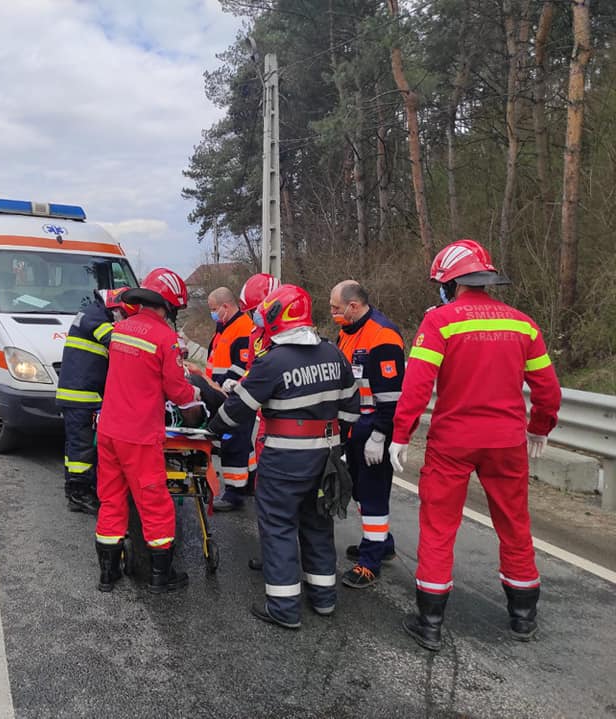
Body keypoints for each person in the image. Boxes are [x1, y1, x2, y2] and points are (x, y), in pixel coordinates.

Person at [390, 239, 562, 650]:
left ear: (449, 283)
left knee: (438, 528)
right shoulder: (524, 324)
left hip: (453, 441)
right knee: (515, 525)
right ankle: (523, 617)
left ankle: (430, 623)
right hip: (506, 442)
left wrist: (401, 434)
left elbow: (416, 387)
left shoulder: (440, 322)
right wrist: (539, 426)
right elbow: (549, 390)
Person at [209, 285, 360, 629]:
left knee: (278, 528)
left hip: (285, 459)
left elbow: (238, 411)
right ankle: (324, 599)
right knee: (318, 524)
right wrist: (337, 444)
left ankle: (283, 607)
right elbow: (352, 409)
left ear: (278, 317)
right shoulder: (333, 354)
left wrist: (213, 428)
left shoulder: (272, 360)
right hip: (327, 457)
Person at [94, 268, 200, 594]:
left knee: (111, 500)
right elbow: (175, 387)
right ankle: (159, 577)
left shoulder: (120, 328)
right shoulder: (165, 338)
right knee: (154, 502)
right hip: (139, 435)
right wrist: (191, 405)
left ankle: (108, 575)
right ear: (168, 304)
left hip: (109, 429)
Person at [329, 280, 406, 588]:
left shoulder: (382, 336)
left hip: (374, 427)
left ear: (354, 306)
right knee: (359, 490)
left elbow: (391, 395)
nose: (332, 313)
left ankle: (370, 561)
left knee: (372, 495)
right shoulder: (347, 333)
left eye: (336, 308)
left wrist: (379, 435)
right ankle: (382, 542)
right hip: (354, 426)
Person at [55, 287, 134, 514]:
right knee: (82, 449)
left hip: (81, 395)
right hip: (81, 396)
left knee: (78, 447)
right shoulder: (95, 317)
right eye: (123, 314)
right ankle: (79, 494)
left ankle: (78, 489)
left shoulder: (94, 313)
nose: (123, 318)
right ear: (115, 307)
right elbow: (116, 342)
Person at [233, 272, 280, 572]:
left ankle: (281, 556)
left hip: (289, 424)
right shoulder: (255, 335)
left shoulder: (291, 338)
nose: (253, 318)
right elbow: (254, 371)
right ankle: (273, 550)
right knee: (266, 489)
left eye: (255, 311)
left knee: (284, 493)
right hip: (266, 422)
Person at [206, 286, 256, 511]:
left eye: (214, 309)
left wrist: (217, 385)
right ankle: (250, 483)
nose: (213, 314)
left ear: (226, 306)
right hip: (222, 393)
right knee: (243, 442)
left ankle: (234, 494)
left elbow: (242, 365)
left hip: (233, 394)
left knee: (233, 442)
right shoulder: (225, 326)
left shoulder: (243, 328)